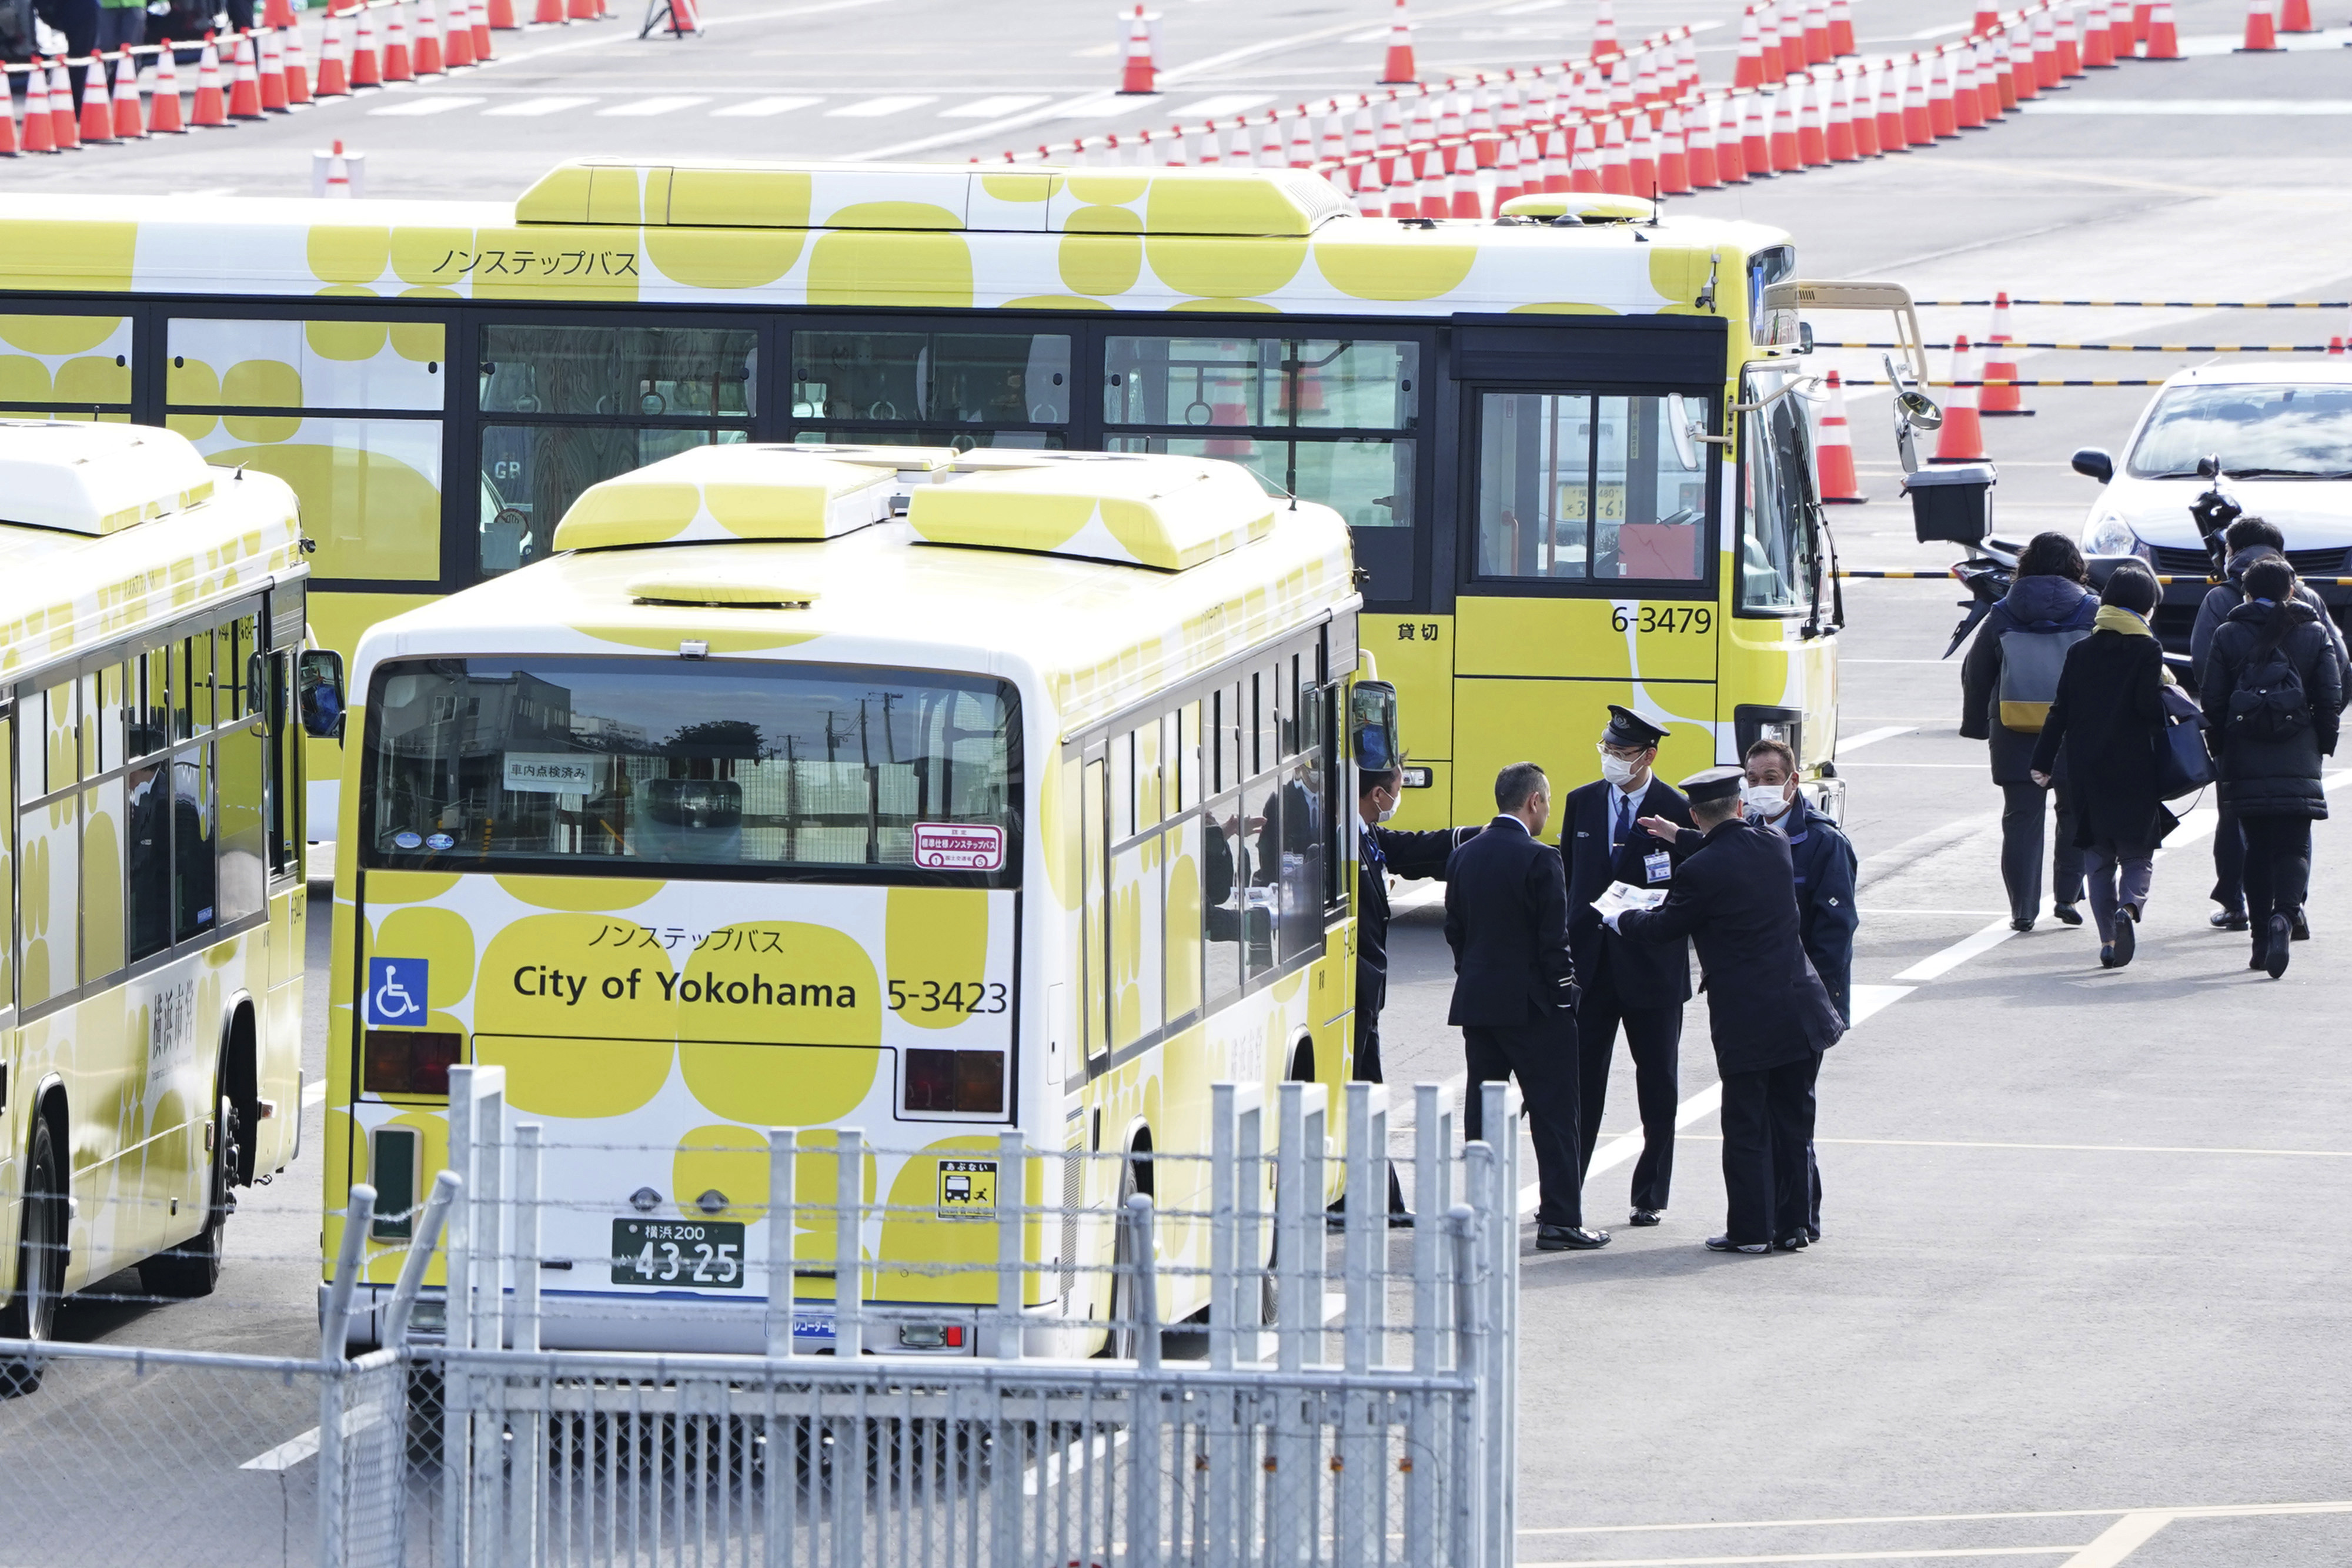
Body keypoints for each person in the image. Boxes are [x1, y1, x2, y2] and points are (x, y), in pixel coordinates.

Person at [1612, 768, 1844, 1255]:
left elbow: (1664, 926)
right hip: (1800, 1009)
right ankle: (1796, 1224)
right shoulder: (1775, 845)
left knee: (1745, 1126)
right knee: (1793, 1122)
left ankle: (1751, 1229)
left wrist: (1620, 916)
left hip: (1748, 1019)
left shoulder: (1700, 871)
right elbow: (1729, 848)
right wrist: (1683, 835)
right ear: (1740, 807)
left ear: (1696, 813)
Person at [1444, 761, 1604, 1251]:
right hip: (1536, 1008)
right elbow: (1553, 940)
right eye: (1547, 802)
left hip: (1478, 1002)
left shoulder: (1465, 855)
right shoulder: (1542, 858)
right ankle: (1560, 1216)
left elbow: (1456, 929)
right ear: (1534, 800)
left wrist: (1473, 976)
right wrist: (1565, 993)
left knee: (1484, 1110)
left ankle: (1480, 1210)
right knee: (1557, 1113)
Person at [1560, 705, 1694, 1227]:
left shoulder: (1676, 810)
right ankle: (1566, 1189)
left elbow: (1689, 888)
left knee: (1658, 1085)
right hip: (1591, 970)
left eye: (1623, 754)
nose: (1612, 761)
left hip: (1653, 970)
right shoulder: (1583, 803)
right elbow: (1572, 881)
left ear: (1649, 756)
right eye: (1607, 751)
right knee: (1581, 1085)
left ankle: (1651, 1193)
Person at [2190, 515, 2351, 934]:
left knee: (2239, 819)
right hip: (2300, 736)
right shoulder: (2308, 601)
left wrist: (2220, 730)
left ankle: (2237, 905)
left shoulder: (2220, 602)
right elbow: (2341, 667)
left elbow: (2205, 669)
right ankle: (2292, 909)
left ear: (2232, 553)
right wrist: (2319, 730)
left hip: (2240, 735)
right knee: (2296, 819)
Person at [1729, 737, 1855, 1245]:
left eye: (1770, 779)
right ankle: (1782, 1217)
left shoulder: (1823, 842)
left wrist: (1826, 1007)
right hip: (1758, 1001)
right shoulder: (1745, 836)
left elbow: (1835, 931)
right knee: (1761, 1115)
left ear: (1793, 781)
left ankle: (1798, 1221)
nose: (1761, 788)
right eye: (1753, 779)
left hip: (1803, 1002)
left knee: (1792, 1111)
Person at [1342, 762, 1481, 1223]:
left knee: (1365, 1090)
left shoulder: (1366, 835)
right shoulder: (1342, 841)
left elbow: (1421, 846)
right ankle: (1379, 1200)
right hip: (1352, 990)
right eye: (1397, 790)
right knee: (1363, 1090)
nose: (1399, 800)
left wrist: (1493, 831)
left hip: (1366, 992)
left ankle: (1374, 1197)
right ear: (1378, 794)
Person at [2026, 562, 2174, 969]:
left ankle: (2109, 939)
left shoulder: (2081, 651)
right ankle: (2130, 908)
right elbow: (2147, 707)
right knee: (2137, 853)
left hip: (2086, 770)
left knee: (2098, 858)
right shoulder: (2148, 649)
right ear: (2146, 608)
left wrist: (2042, 762)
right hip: (2135, 768)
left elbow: (2060, 712)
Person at [1959, 531, 2098, 932]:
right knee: (2074, 813)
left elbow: (1977, 671)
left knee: (2021, 817)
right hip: (2076, 729)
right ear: (2075, 566)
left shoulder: (2002, 611)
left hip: (2015, 726)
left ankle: (2023, 908)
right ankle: (2069, 895)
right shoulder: (2091, 609)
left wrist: (1975, 725)